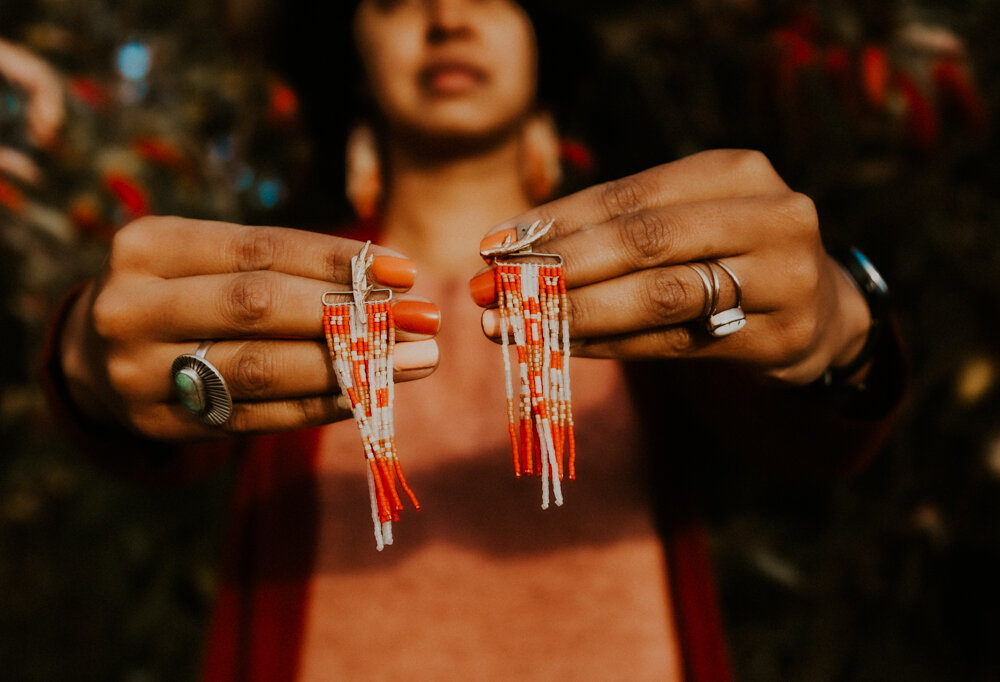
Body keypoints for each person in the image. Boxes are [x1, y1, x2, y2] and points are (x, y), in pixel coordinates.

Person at [37, 1, 906, 680]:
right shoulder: (275, 287)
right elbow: (150, 433)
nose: (447, 15)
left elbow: (810, 437)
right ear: (351, 54)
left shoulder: (660, 278)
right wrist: (87, 359)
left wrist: (838, 317)